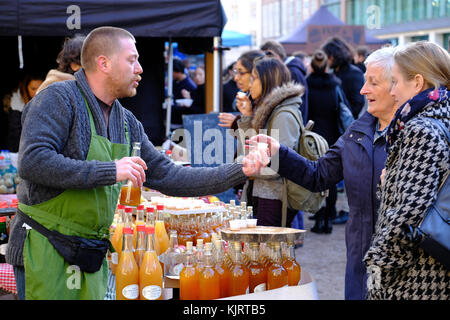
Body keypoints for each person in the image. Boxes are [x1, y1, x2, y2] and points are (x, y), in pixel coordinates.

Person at [5, 26, 247, 300]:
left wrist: (240, 169)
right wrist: (111, 170)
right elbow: (33, 161)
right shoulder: (57, 99)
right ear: (103, 63)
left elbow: (168, 176)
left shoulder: (127, 121)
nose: (140, 69)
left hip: (90, 251)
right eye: (132, 59)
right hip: (46, 246)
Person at [242, 46, 400, 300]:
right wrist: (278, 152)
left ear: (398, 86)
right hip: (359, 258)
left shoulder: (415, 135)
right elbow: (318, 175)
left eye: (373, 82)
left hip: (399, 264)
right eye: (364, 81)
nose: (363, 90)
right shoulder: (358, 130)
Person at [364, 41, 450, 300]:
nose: (392, 92)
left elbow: (409, 212)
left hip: (414, 277)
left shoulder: (420, 129)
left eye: (397, 82)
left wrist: (380, 265)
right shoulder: (442, 119)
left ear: (417, 82)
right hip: (434, 269)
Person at [235, 56, 304, 227]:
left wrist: (244, 167)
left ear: (268, 80)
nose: (250, 84)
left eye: (254, 78)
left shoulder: (283, 114)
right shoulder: (267, 111)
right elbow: (248, 149)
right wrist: (247, 117)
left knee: (271, 251)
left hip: (272, 198)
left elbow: (279, 164)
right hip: (261, 193)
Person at [305, 49, 344, 234]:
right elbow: (343, 109)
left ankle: (319, 218)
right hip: (332, 135)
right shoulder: (335, 85)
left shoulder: (307, 86)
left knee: (316, 177)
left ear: (312, 66)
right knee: (332, 179)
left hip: (313, 136)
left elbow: (304, 112)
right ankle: (329, 219)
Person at [260, 40, 309, 124]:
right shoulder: (285, 70)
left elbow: (300, 104)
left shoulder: (292, 72)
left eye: (267, 57)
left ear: (275, 55)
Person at [218, 50, 264, 129]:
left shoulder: (273, 106)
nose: (236, 78)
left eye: (241, 73)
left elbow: (264, 138)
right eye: (235, 72)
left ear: (256, 74)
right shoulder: (251, 99)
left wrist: (240, 123)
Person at [321, 36, 365, 119]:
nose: (326, 60)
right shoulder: (333, 72)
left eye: (327, 57)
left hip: (346, 124)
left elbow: (357, 103)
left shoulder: (354, 73)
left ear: (332, 56)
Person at [2, 74, 44, 152]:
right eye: (33, 89)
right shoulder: (17, 106)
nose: (37, 92)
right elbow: (15, 134)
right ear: (26, 89)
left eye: (41, 88)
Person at [170, 58, 197, 126]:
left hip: (183, 122)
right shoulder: (174, 82)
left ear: (178, 71)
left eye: (172, 71)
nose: (170, 74)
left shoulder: (190, 85)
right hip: (174, 120)